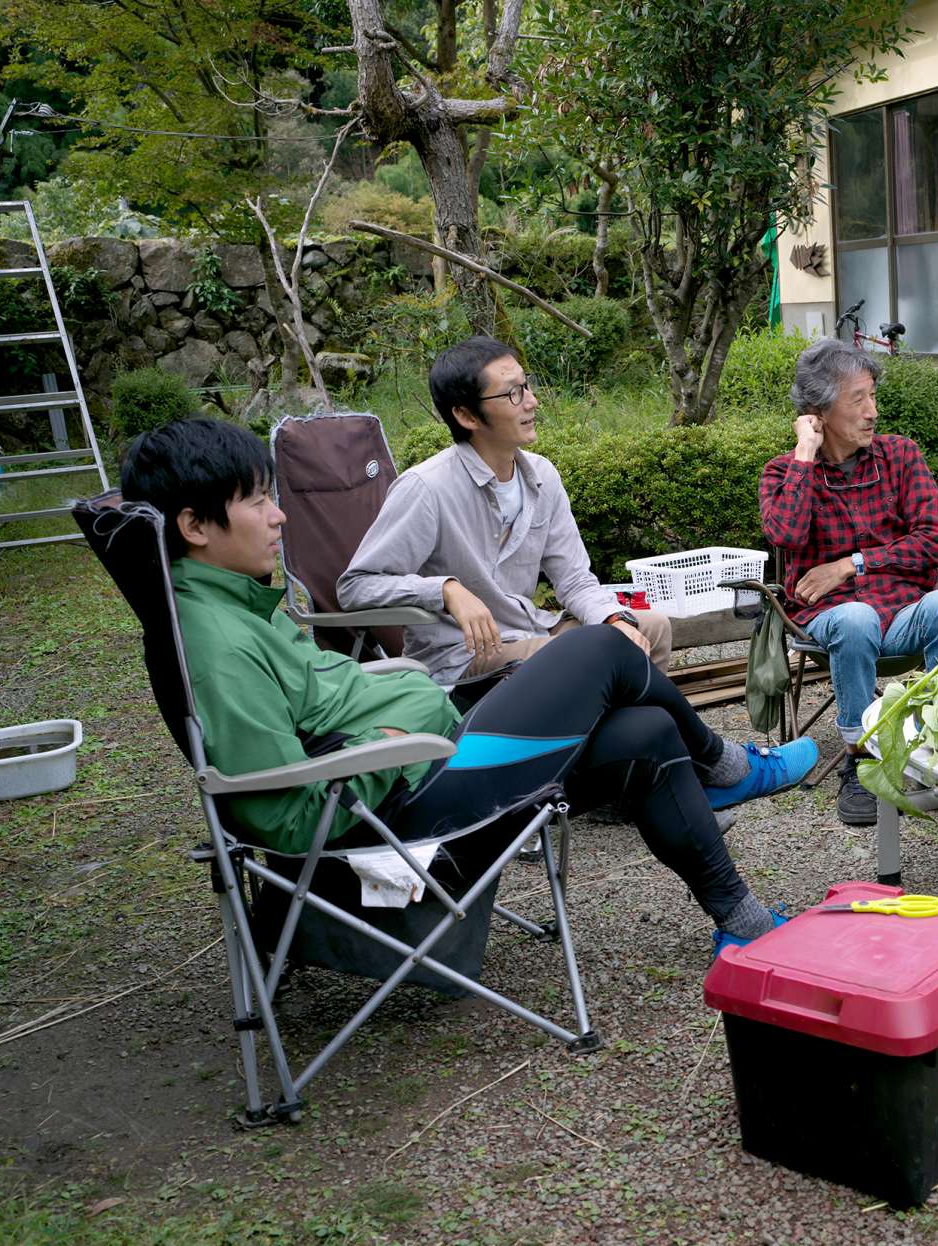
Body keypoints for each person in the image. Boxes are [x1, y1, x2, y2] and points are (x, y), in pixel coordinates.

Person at [125, 417, 815, 956]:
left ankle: (742, 920)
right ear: (193, 525)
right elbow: (282, 814)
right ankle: (725, 766)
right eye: (258, 501)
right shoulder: (216, 643)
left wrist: (388, 724)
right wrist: (387, 751)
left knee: (645, 732)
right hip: (407, 815)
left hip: (430, 765)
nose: (279, 517)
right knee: (602, 647)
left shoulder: (236, 603)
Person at [338, 336, 673, 685]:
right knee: (585, 652)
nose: (532, 402)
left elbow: (573, 579)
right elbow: (356, 587)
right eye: (513, 393)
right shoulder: (426, 488)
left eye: (527, 387)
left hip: (529, 632)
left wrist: (612, 620)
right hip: (464, 656)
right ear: (466, 415)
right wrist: (445, 590)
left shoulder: (542, 475)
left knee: (650, 628)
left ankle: (636, 735)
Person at [759, 337, 938, 826]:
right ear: (818, 412)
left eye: (873, 395)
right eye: (858, 399)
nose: (872, 411)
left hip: (899, 616)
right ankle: (862, 758)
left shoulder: (900, 456)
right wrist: (805, 452)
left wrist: (852, 564)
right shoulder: (783, 473)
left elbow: (933, 541)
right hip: (834, 621)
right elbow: (785, 533)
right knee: (854, 618)